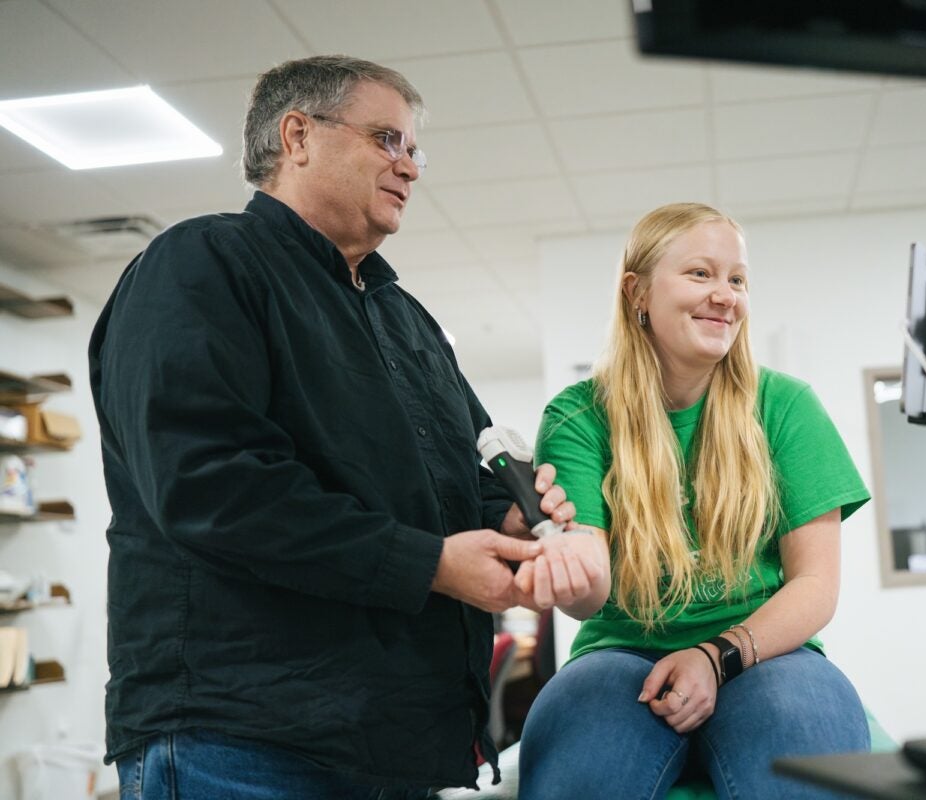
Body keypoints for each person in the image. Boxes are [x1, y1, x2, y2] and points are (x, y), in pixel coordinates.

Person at [88, 55, 604, 800]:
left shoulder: (407, 321)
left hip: (392, 743)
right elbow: (210, 486)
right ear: (297, 136)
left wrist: (512, 523)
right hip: (242, 739)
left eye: (415, 149)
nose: (410, 167)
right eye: (387, 139)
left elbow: (461, 477)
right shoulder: (203, 264)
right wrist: (432, 564)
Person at [518, 203, 873, 799]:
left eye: (738, 279)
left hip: (765, 650)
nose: (725, 296)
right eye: (700, 273)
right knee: (583, 764)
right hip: (621, 654)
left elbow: (815, 584)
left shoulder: (786, 406)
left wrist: (715, 656)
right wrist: (567, 569)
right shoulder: (578, 417)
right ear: (637, 293)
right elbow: (588, 598)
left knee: (804, 753)